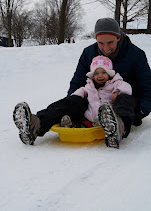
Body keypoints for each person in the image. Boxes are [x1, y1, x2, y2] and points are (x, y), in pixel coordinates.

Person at [13, 17, 151, 148]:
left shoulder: (136, 55)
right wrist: (72, 102)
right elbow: (78, 81)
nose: (105, 48)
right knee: (75, 99)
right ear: (96, 39)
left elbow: (147, 88)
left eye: (110, 42)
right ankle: (36, 124)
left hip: (122, 103)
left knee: (124, 98)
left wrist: (139, 111)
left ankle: (118, 127)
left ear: (118, 37)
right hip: (94, 101)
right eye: (100, 43)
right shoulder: (89, 53)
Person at [61, 55, 133, 148]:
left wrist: (117, 91)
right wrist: (72, 99)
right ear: (93, 76)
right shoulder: (89, 86)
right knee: (84, 124)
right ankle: (70, 128)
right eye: (96, 73)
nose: (100, 76)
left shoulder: (114, 83)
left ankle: (111, 128)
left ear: (109, 74)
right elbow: (79, 93)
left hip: (107, 118)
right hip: (91, 118)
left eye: (103, 72)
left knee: (103, 121)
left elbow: (127, 87)